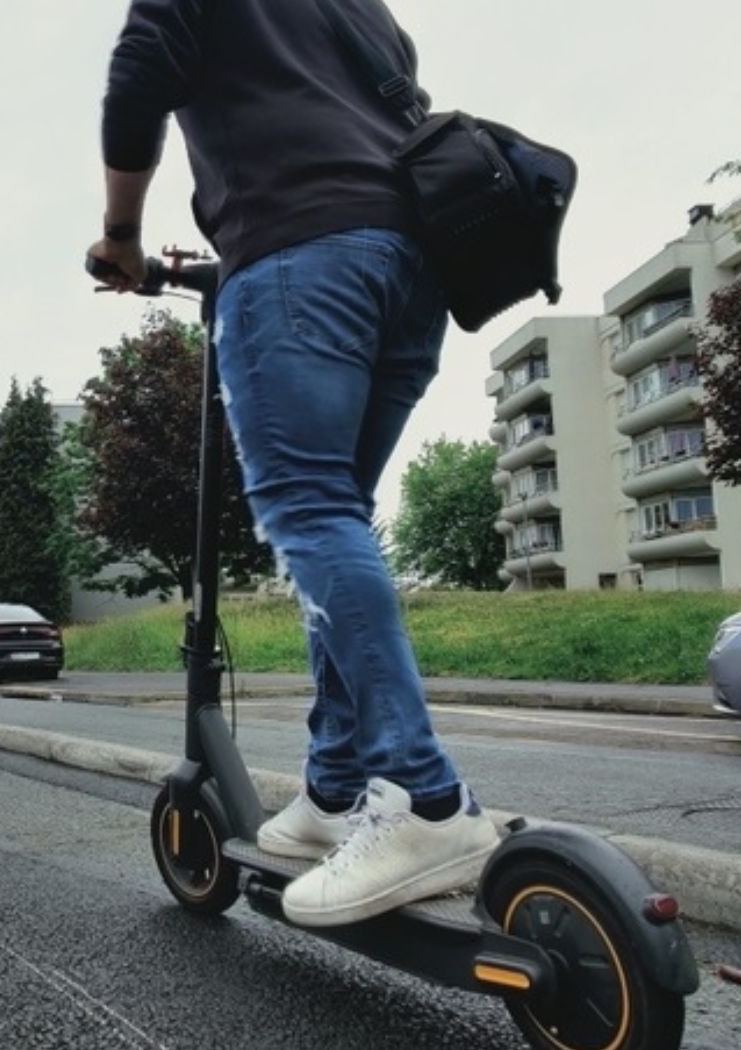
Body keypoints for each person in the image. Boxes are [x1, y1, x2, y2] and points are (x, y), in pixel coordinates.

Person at [87, 0, 498, 928]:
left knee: (311, 514)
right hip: (409, 269)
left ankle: (426, 801)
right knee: (336, 516)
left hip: (297, 258)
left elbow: (135, 81)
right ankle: (332, 791)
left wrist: (120, 237)